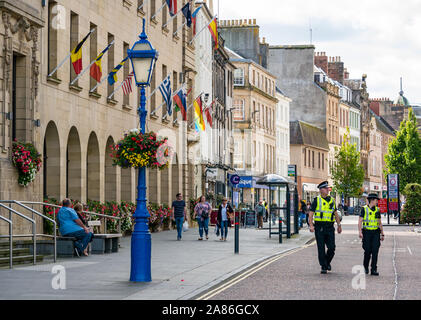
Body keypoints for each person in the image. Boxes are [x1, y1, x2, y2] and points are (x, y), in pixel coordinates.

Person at [308, 181, 342, 274]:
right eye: (326, 188)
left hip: (330, 227)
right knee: (321, 248)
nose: (328, 190)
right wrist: (311, 225)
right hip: (319, 227)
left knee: (332, 247)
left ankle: (327, 262)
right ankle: (323, 266)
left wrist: (339, 225)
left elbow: (335, 214)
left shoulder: (332, 200)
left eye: (328, 188)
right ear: (321, 190)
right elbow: (310, 215)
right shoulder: (316, 200)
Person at [358, 193, 385, 276]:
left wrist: (382, 233)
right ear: (372, 200)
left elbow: (379, 222)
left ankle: (373, 269)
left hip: (375, 233)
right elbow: (360, 221)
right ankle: (365, 267)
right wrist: (360, 232)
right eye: (376, 200)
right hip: (366, 233)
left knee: (375, 251)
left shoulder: (377, 210)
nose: (377, 202)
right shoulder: (364, 209)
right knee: (367, 251)